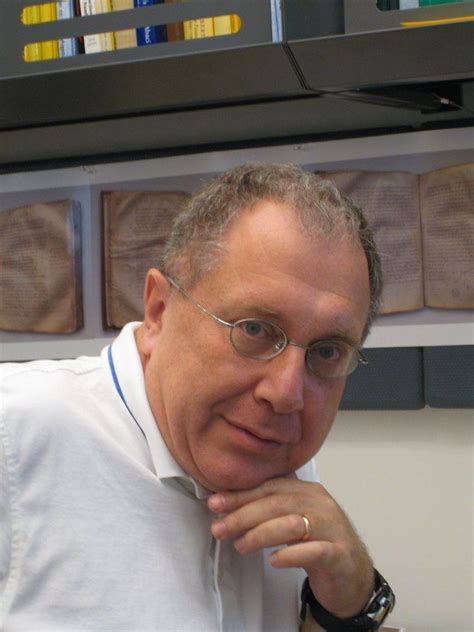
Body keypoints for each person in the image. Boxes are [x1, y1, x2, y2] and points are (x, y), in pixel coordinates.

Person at [0, 163, 395, 631]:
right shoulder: (17, 434)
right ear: (159, 311)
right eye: (254, 329)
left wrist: (350, 603)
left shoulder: (268, 451)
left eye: (327, 351)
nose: (286, 393)